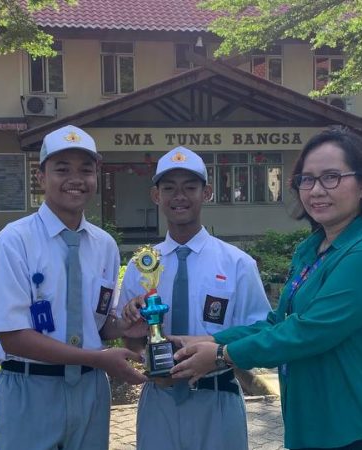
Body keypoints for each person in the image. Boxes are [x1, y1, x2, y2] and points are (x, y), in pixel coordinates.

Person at [171, 129, 362, 450]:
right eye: (307, 179)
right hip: (312, 423)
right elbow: (280, 323)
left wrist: (221, 356)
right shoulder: (312, 249)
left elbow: (310, 331)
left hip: (359, 428)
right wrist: (213, 339)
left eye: (331, 177)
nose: (316, 190)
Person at [0, 125, 146, 450]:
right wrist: (98, 359)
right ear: (41, 177)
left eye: (86, 170)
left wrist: (127, 323)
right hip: (30, 390)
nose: (76, 179)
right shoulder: (15, 241)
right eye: (62, 169)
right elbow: (12, 336)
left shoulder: (105, 246)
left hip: (90, 393)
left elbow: (98, 327)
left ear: (96, 178)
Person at [118, 146, 272, 450]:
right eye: (169, 188)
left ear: (207, 192)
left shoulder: (237, 264)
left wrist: (215, 350)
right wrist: (133, 327)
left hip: (217, 397)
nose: (179, 196)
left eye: (190, 187)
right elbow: (132, 342)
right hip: (159, 400)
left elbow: (262, 333)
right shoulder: (141, 265)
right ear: (156, 196)